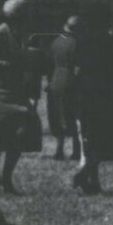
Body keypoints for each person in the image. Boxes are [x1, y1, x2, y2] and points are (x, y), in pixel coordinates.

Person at [0, 0, 40, 193]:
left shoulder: (22, 34)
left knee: (19, 138)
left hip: (18, 93)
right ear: (15, 17)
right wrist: (11, 65)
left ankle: (6, 179)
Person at [71, 7, 113, 195]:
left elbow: (76, 70)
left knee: (90, 139)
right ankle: (88, 176)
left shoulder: (83, 42)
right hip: (107, 96)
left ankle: (91, 178)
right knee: (104, 139)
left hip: (86, 96)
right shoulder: (112, 42)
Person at [45, 17, 82, 162]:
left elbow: (48, 63)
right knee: (74, 115)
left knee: (57, 115)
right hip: (71, 80)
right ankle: (76, 150)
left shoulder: (55, 42)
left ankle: (59, 149)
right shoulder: (77, 43)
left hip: (55, 79)